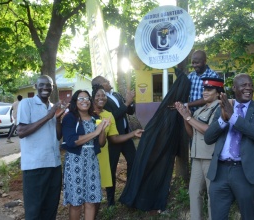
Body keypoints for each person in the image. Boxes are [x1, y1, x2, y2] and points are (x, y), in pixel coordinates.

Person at [119, 68, 190, 212]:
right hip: (158, 149)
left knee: (152, 172)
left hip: (157, 150)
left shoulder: (173, 109)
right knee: (154, 172)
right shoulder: (173, 110)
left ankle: (146, 200)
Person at [204, 73, 254, 220]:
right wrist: (223, 118)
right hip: (220, 172)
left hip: (245, 172)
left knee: (249, 216)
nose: (249, 88)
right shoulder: (222, 108)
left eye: (251, 85)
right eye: (244, 85)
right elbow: (208, 138)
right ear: (234, 88)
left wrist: (233, 117)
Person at [17, 75, 67, 220]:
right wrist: (48, 116)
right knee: (34, 211)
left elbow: (57, 136)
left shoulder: (52, 107)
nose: (45, 87)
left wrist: (57, 120)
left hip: (54, 165)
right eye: (42, 84)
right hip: (35, 166)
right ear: (35, 86)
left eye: (49, 85)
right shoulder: (27, 103)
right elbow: (21, 132)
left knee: (50, 209)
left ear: (53, 88)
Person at [175, 77, 224, 220]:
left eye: (209, 89)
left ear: (218, 92)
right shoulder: (201, 110)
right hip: (196, 157)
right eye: (204, 89)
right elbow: (192, 134)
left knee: (212, 194)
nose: (205, 92)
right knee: (194, 192)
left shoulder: (220, 108)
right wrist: (186, 118)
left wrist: (189, 118)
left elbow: (209, 131)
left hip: (211, 158)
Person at [61, 89, 109, 220]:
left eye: (87, 98)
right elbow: (71, 142)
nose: (85, 101)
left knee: (91, 200)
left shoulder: (95, 118)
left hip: (92, 162)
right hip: (75, 162)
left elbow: (101, 143)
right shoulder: (70, 118)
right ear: (75, 102)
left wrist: (102, 130)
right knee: (76, 203)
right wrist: (95, 132)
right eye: (81, 99)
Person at [91, 76, 136, 207]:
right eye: (105, 81)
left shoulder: (116, 94)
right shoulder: (101, 101)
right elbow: (113, 116)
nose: (109, 81)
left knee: (134, 160)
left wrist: (130, 101)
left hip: (125, 135)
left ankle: (129, 192)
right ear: (99, 86)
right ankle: (111, 202)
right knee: (111, 168)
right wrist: (126, 103)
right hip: (111, 139)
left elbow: (130, 111)